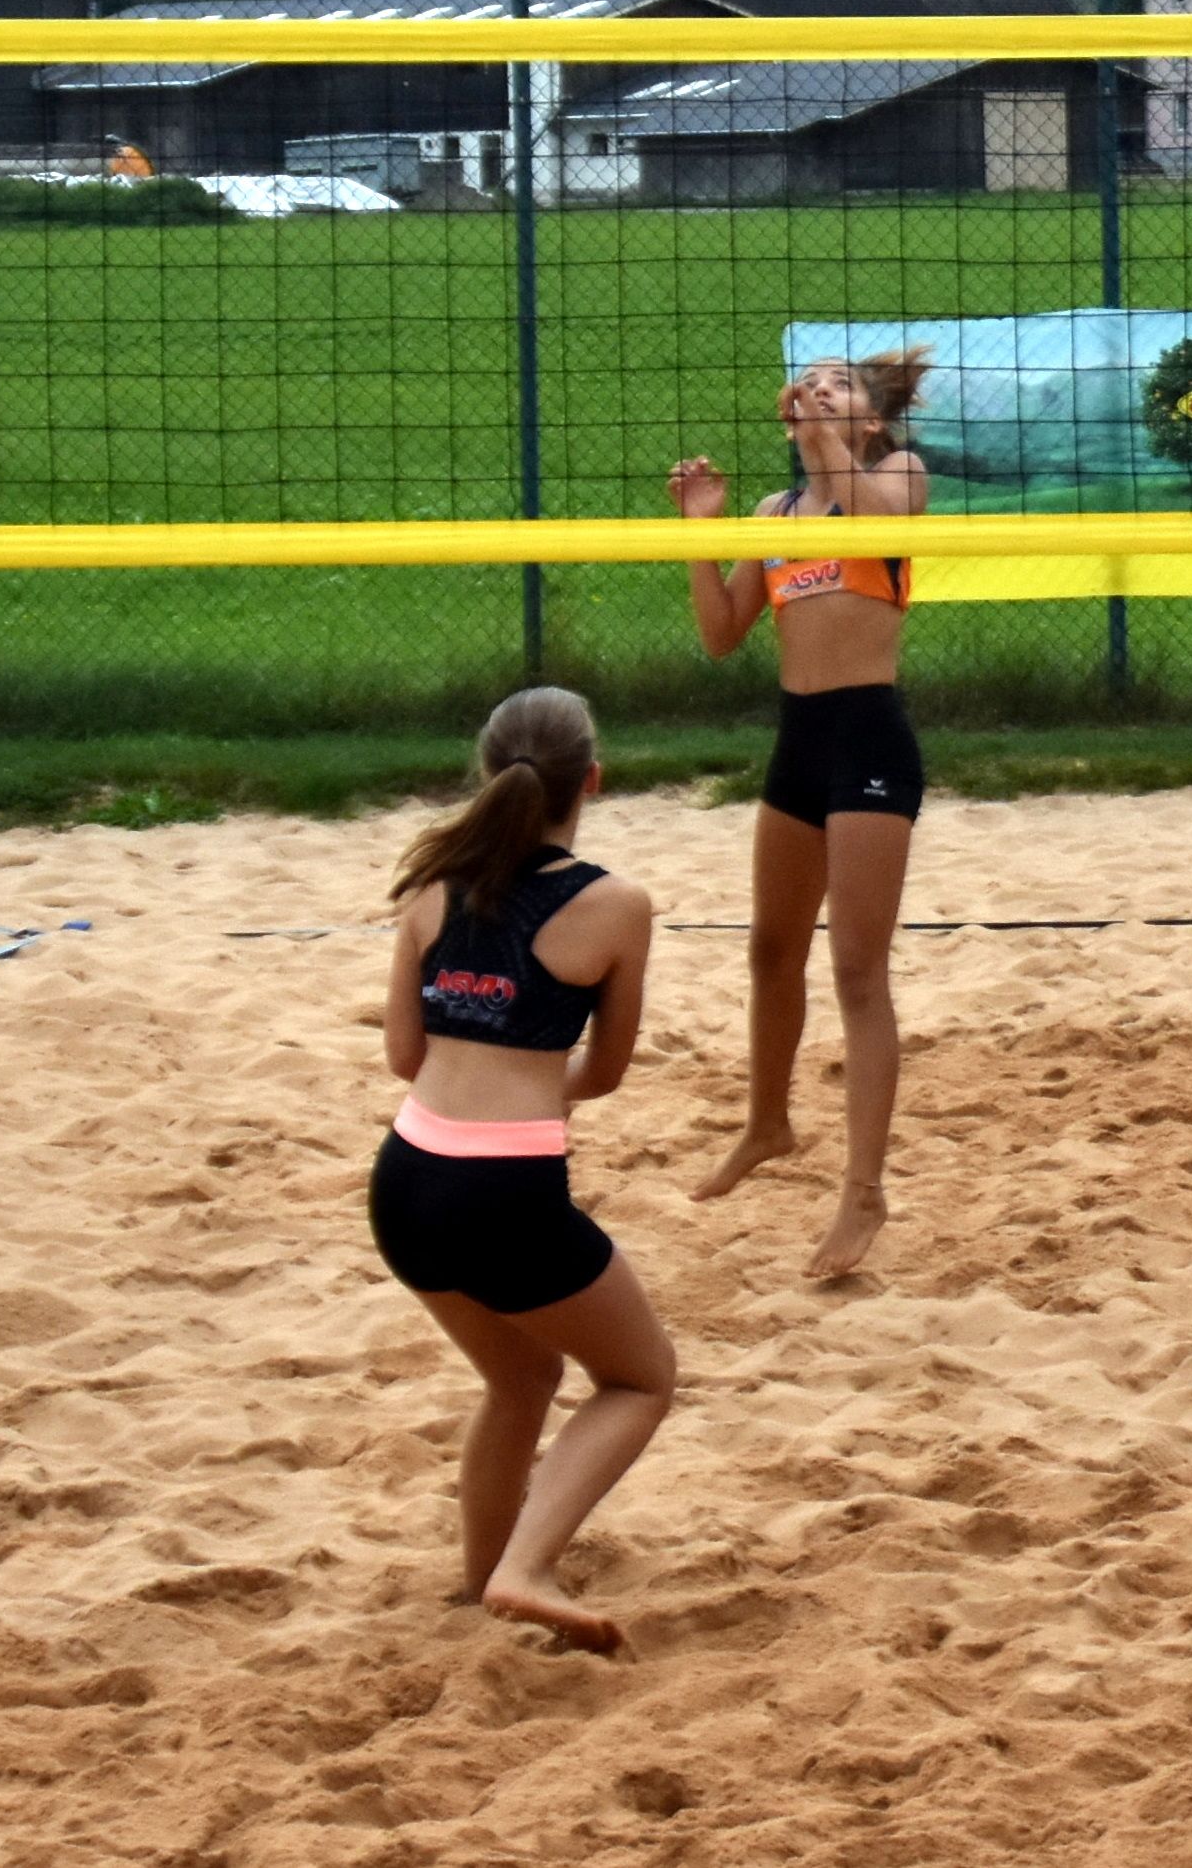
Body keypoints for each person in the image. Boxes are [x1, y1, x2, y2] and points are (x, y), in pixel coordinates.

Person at [369, 686, 671, 1656]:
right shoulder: (615, 905)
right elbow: (607, 1071)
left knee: (521, 1375)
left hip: (404, 1181)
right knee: (638, 1379)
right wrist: (541, 1089)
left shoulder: (430, 884)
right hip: (503, 1190)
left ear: (487, 769)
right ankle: (524, 1567)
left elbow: (405, 1057)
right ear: (592, 781)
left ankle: (480, 1579)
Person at [664, 346, 931, 1280]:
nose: (819, 387)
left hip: (869, 741)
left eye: (840, 384)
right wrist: (702, 531)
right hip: (798, 741)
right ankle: (766, 1124)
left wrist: (825, 443)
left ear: (871, 420)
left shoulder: (897, 475)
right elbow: (720, 635)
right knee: (770, 952)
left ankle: (863, 1192)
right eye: (809, 380)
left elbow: (873, 524)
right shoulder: (775, 514)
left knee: (857, 972)